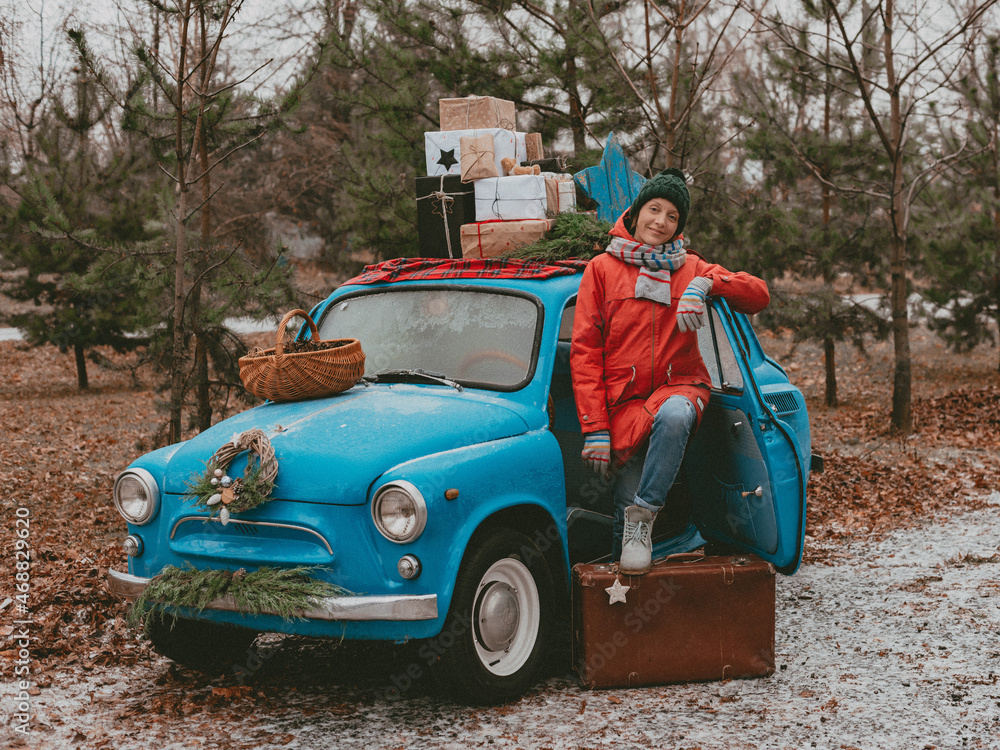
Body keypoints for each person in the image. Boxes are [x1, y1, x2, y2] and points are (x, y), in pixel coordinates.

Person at [569, 168, 770, 574]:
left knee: (675, 415)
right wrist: (595, 427)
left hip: (680, 386)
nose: (660, 222)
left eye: (672, 216)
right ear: (637, 211)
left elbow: (758, 295)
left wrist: (708, 284)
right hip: (624, 403)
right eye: (654, 209)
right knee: (624, 519)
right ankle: (616, 603)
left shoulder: (690, 267)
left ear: (680, 226)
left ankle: (644, 519)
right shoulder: (601, 270)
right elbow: (585, 352)